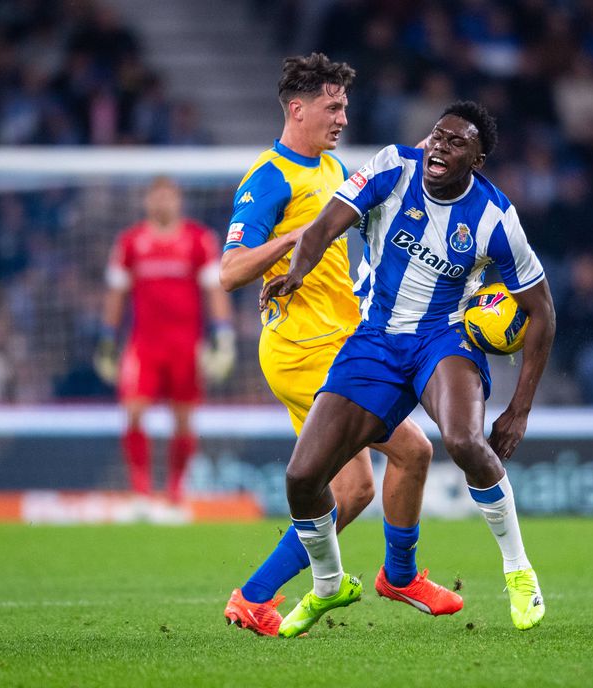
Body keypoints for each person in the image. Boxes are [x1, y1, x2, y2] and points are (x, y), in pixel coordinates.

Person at [261, 100, 556, 637]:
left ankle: (518, 570)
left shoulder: (495, 219)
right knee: (302, 478)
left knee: (465, 442)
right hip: (374, 338)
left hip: (443, 337)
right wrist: (298, 273)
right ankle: (330, 583)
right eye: (437, 135)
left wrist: (519, 409)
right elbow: (324, 225)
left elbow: (543, 311)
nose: (439, 145)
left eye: (455, 142)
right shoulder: (391, 168)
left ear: (478, 160)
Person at [220, 53, 460, 636]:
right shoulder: (269, 178)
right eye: (333, 106)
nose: (343, 117)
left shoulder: (330, 168)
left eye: (346, 106)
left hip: (335, 341)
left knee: (352, 490)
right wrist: (300, 235)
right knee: (414, 451)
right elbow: (229, 271)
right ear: (297, 108)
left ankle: (252, 598)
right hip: (305, 350)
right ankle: (398, 576)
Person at [95, 176, 236, 516]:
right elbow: (116, 294)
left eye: (168, 197)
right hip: (144, 346)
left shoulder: (198, 240)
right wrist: (106, 340)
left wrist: (223, 335)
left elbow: (214, 290)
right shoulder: (130, 242)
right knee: (133, 413)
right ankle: (140, 492)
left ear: (178, 201)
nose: (162, 203)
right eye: (156, 196)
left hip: (186, 347)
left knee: (184, 420)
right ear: (147, 201)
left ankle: (175, 492)